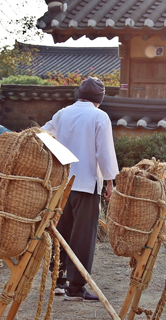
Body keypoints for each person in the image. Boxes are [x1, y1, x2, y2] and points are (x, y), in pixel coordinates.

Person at [42, 77, 120, 301]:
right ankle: (75, 288)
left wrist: (59, 157)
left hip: (62, 184)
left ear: (80, 94)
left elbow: (41, 134)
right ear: (100, 98)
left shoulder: (63, 113)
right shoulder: (99, 116)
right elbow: (104, 151)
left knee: (60, 233)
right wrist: (109, 181)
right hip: (86, 184)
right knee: (83, 237)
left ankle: (57, 281)